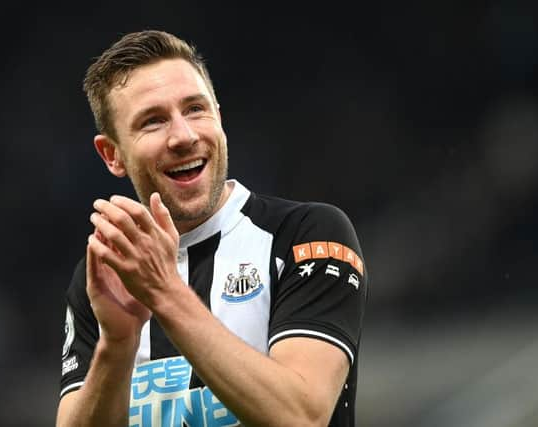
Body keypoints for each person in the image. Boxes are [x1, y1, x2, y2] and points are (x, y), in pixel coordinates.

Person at [57, 30, 368, 427]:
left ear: (219, 117)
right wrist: (116, 347)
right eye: (153, 122)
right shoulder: (105, 275)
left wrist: (164, 292)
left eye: (195, 109)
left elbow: (301, 416)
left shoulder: (306, 234)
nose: (184, 136)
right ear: (112, 154)